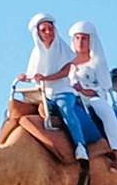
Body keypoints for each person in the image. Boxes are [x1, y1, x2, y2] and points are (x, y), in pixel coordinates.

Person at [18, 13, 93, 161]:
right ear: (37, 33)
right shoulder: (36, 52)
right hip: (42, 94)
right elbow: (33, 74)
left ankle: (80, 146)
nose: (48, 32)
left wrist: (46, 78)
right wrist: (24, 77)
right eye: (44, 30)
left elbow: (66, 71)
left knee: (66, 110)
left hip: (62, 91)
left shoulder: (62, 48)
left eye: (50, 29)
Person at [69, 20, 117, 173]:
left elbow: (103, 87)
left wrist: (84, 90)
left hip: (92, 99)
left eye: (84, 38)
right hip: (69, 97)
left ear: (90, 40)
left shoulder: (96, 62)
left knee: (107, 113)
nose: (80, 42)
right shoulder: (65, 62)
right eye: (77, 38)